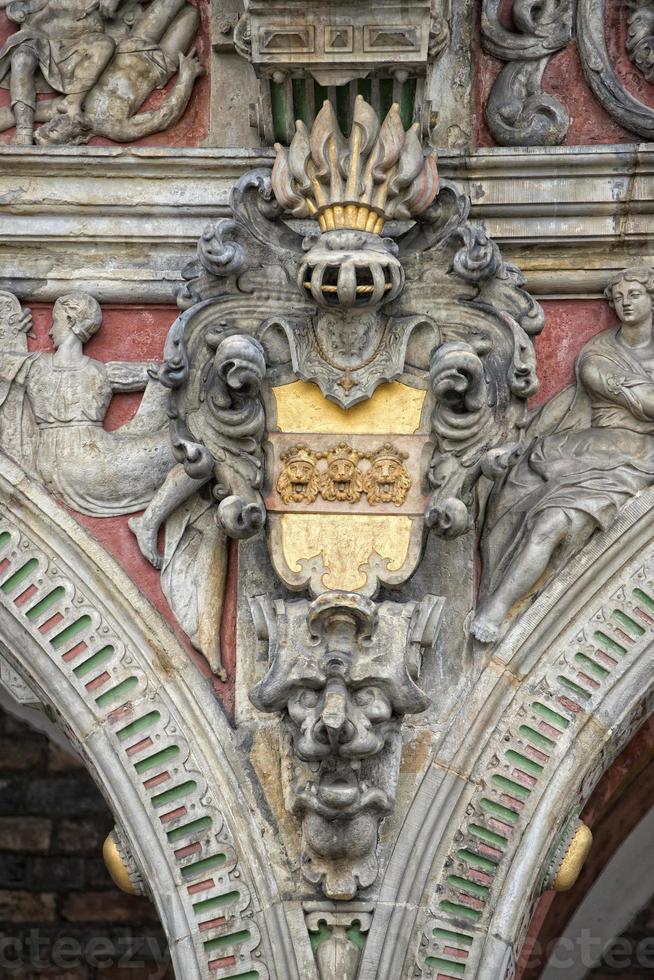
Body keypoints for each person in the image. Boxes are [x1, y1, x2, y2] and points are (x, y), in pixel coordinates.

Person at [472, 267, 654, 643]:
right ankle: (497, 606)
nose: (625, 304)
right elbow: (570, 402)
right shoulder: (601, 349)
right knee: (544, 519)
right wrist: (519, 444)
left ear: (651, 298)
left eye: (634, 295)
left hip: (637, 459)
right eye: (618, 298)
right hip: (588, 449)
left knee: (555, 521)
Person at [19, 291, 175, 515]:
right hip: (86, 464)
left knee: (183, 447)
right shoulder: (102, 372)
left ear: (71, 321)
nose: (50, 331)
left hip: (86, 461)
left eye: (55, 322)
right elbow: (162, 374)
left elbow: (161, 374)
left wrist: (15, 332)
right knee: (183, 446)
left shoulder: (35, 366)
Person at [0, 0, 120, 144]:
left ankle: (72, 102)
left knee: (104, 45)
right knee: (22, 59)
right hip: (38, 37)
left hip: (81, 40)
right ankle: (23, 130)